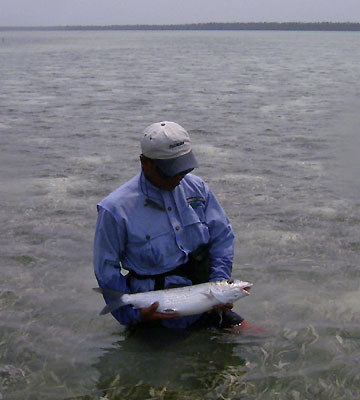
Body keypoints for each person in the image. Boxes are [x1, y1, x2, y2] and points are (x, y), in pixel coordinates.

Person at [93, 121, 258, 333]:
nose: (180, 177)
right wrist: (132, 314)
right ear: (145, 163)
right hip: (154, 313)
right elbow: (106, 269)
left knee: (257, 337)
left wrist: (219, 285)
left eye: (184, 168)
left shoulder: (197, 188)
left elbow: (222, 237)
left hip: (205, 304)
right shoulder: (114, 209)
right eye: (171, 171)